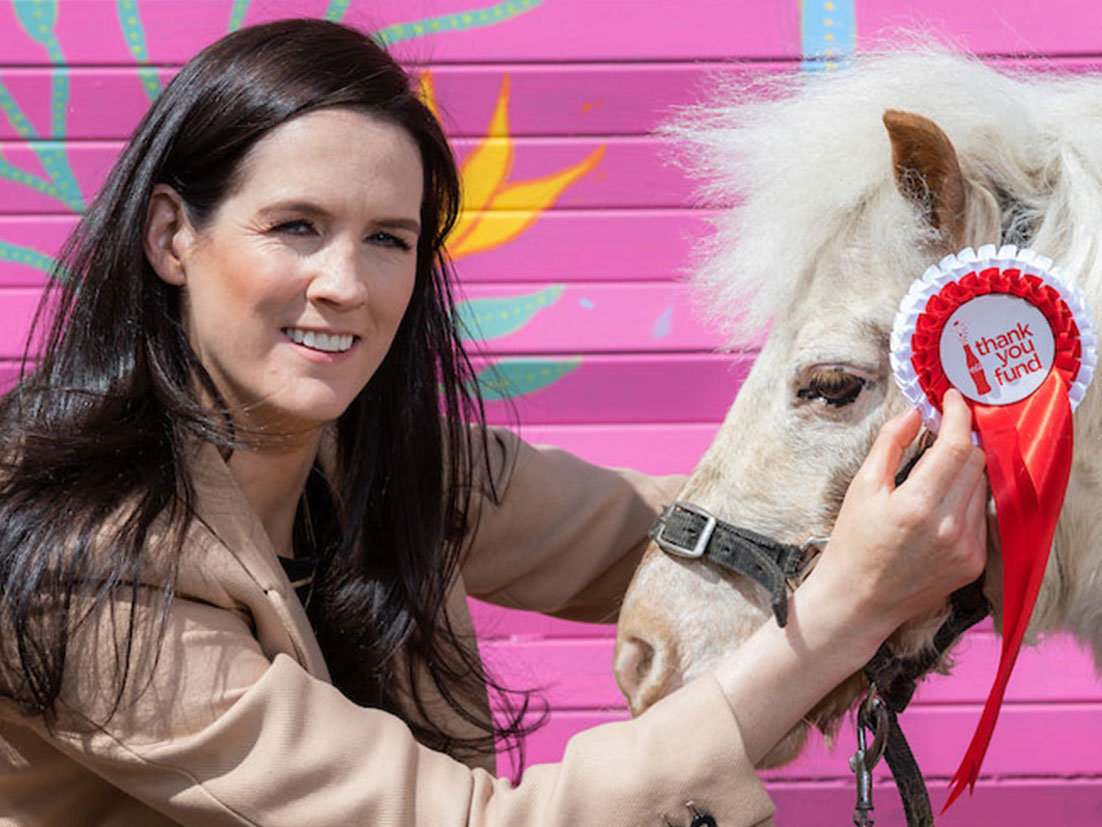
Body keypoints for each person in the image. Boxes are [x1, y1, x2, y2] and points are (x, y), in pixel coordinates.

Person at [0, 18, 987, 826]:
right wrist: (837, 616)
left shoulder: (390, 465)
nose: (345, 284)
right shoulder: (79, 565)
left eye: (388, 239)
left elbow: (683, 534)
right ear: (172, 235)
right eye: (295, 225)